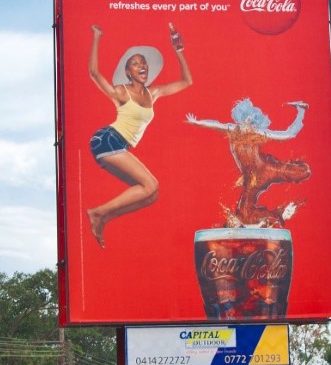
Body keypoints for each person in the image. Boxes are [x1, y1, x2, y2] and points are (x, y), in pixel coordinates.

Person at [84, 22, 192, 248]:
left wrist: (179, 51)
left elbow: (186, 82)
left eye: (143, 62)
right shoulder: (121, 92)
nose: (141, 65)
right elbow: (94, 73)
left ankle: (104, 218)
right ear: (128, 72)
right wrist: (96, 37)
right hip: (107, 139)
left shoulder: (153, 93)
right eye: (135, 63)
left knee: (151, 195)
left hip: (118, 144)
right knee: (150, 185)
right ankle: (97, 212)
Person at [185, 98, 310, 226]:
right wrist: (197, 122)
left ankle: (301, 107)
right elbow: (215, 124)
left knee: (304, 172)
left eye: (250, 124)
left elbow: (289, 134)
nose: (247, 127)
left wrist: (300, 112)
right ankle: (274, 215)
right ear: (241, 120)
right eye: (245, 123)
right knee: (244, 215)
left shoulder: (258, 132)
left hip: (267, 169)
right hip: (252, 180)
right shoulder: (233, 129)